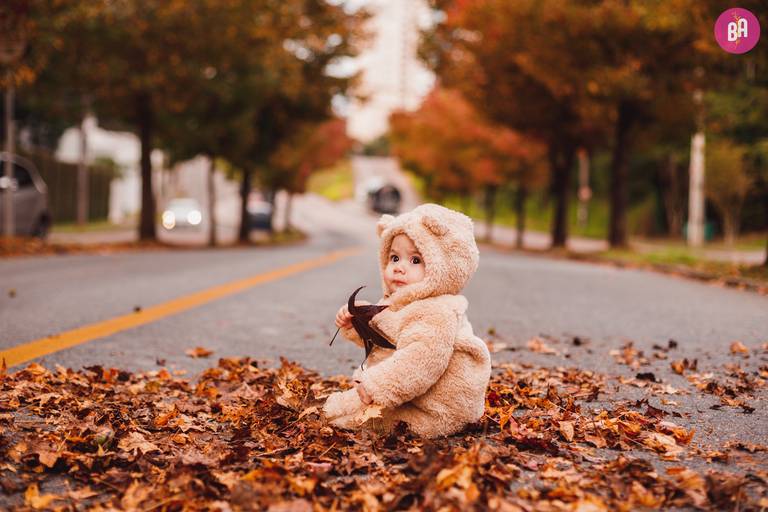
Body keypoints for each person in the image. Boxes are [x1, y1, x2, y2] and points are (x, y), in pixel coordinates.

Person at [323, 203, 492, 438]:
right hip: (415, 394)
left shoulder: (437, 311)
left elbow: (420, 361)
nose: (399, 268)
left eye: (415, 260)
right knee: (348, 411)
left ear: (443, 267)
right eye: (394, 258)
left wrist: (378, 385)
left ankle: (343, 408)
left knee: (358, 418)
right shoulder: (403, 303)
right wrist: (357, 322)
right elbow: (386, 335)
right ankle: (344, 405)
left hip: (439, 409)